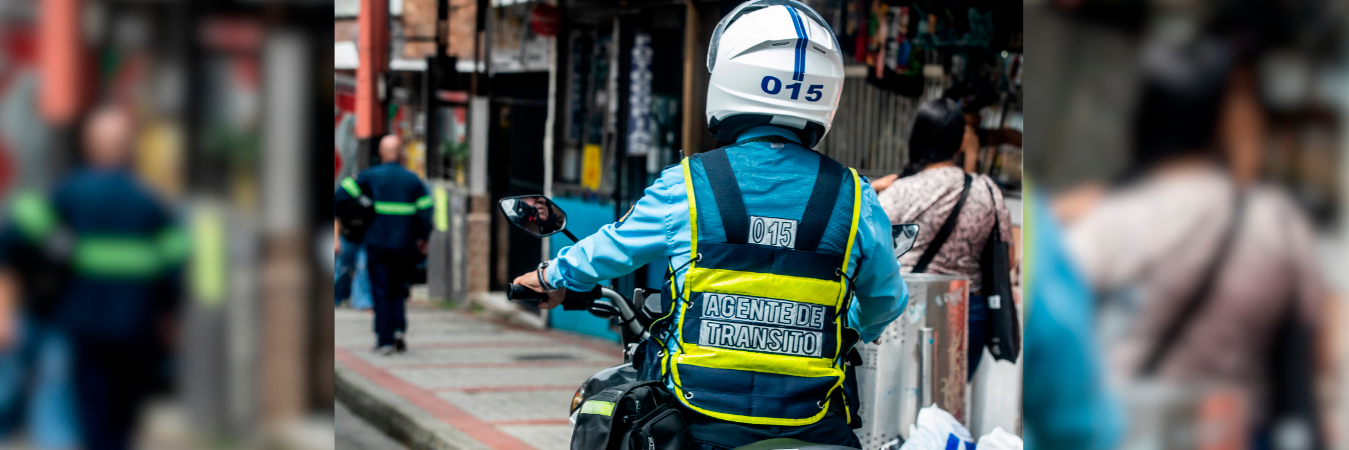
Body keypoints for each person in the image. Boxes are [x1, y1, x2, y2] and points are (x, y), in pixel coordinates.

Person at [511, 1, 907, 447]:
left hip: (702, 424)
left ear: (728, 79)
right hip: (814, 424)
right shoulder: (856, 196)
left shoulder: (689, 184)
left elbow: (612, 249)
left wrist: (549, 276)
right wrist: (846, 326)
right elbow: (887, 300)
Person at [1063, 36, 1327, 445]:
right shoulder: (1280, 222)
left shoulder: (1103, 220)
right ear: (1226, 123)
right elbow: (1311, 358)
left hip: (1124, 431)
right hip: (1231, 434)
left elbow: (1061, 353)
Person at [0, 105, 186, 450]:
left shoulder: (67, 194)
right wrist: (171, 319)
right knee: (123, 418)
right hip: (136, 328)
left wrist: (6, 305)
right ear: (130, 148)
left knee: (90, 414)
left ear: (89, 147)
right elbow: (176, 267)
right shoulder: (151, 202)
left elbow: (13, 239)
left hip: (81, 327)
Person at [869, 98, 1013, 376]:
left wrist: (872, 189)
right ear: (961, 142)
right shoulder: (988, 191)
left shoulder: (899, 191)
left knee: (898, 403)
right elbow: (1007, 261)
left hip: (904, 310)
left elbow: (869, 251)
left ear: (917, 137)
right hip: (966, 313)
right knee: (950, 406)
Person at [334, 135, 432, 355]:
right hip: (405, 245)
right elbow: (426, 212)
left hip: (377, 243)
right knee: (398, 288)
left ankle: (384, 339)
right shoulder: (413, 180)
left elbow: (340, 196)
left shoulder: (369, 176)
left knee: (380, 289)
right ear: (401, 153)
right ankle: (398, 329)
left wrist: (356, 215)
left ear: (381, 153)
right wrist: (423, 238)